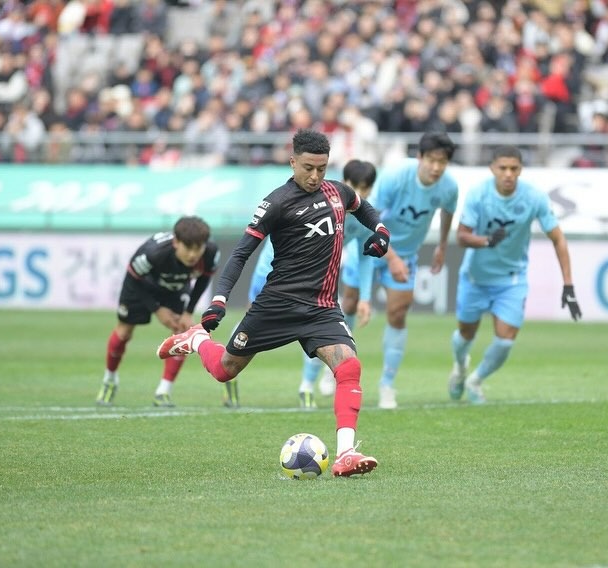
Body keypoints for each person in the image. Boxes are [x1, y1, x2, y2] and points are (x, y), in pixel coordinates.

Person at [156, 129, 389, 477]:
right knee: (224, 370)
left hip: (322, 307)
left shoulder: (338, 191)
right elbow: (241, 253)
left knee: (349, 367)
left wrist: (381, 231)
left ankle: (345, 454)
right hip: (278, 304)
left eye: (322, 168)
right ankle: (197, 340)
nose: (315, 176)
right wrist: (219, 299)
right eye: (308, 168)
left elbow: (363, 207)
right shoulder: (276, 203)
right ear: (292, 162)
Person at [235, 159, 380, 409]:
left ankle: (306, 386)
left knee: (317, 330)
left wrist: (365, 297)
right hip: (271, 274)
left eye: (366, 188)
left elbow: (366, 256)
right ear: (345, 183)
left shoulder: (360, 215)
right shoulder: (318, 203)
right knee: (248, 328)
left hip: (311, 282)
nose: (361, 193)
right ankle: (228, 366)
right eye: (356, 186)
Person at [448, 145, 581, 405]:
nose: (508, 174)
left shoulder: (534, 197)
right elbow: (461, 236)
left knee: (506, 339)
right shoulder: (478, 194)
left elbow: (558, 238)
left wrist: (568, 285)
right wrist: (487, 241)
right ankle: (460, 368)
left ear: (521, 170)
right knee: (466, 334)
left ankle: (476, 380)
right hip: (475, 278)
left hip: (512, 279)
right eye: (503, 168)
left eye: (514, 168)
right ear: (492, 169)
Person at [367, 132, 459, 409]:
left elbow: (447, 211)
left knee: (397, 314)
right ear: (419, 157)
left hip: (405, 253)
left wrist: (442, 245)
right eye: (431, 160)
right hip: (370, 246)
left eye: (442, 162)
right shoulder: (395, 176)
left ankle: (387, 385)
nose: (436, 167)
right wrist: (391, 257)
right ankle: (328, 372)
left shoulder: (449, 188)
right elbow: (369, 217)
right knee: (346, 305)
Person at [96, 216, 221, 407]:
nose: (193, 255)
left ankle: (163, 391)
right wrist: (157, 309)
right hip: (141, 285)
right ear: (176, 242)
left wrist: (188, 312)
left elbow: (203, 280)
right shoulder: (153, 253)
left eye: (198, 248)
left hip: (175, 287)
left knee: (182, 330)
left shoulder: (211, 252)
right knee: (124, 332)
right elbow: (133, 279)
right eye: (188, 248)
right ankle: (109, 379)